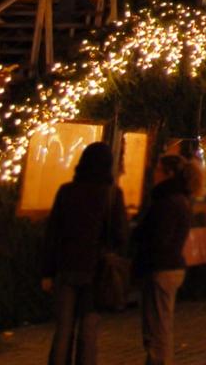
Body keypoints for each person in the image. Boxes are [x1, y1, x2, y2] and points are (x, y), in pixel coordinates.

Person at [42, 140, 129, 365]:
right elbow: (120, 236)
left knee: (63, 329)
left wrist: (47, 272)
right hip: (96, 271)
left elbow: (53, 233)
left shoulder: (67, 191)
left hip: (67, 266)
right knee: (89, 331)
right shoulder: (111, 195)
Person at [133, 154, 198, 364]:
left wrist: (140, 235)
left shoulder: (169, 202)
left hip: (161, 268)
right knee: (158, 324)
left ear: (169, 174)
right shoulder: (180, 200)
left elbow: (160, 238)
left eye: (159, 170)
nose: (155, 174)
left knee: (158, 326)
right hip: (169, 266)